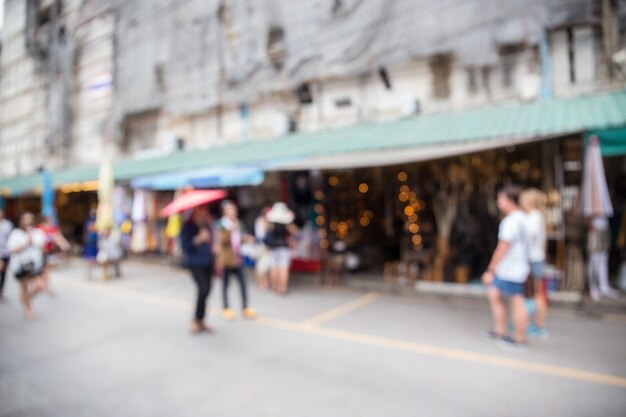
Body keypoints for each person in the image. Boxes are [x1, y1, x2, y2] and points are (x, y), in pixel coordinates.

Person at [482, 186, 530, 352]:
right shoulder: (523, 218)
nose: (498, 202)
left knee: (516, 301)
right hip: (515, 267)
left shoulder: (511, 221)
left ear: (510, 201)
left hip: (511, 268)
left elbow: (503, 247)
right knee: (494, 293)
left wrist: (491, 269)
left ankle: (519, 338)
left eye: (500, 199)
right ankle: (499, 331)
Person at [214, 200, 256, 320]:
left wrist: (246, 239)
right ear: (225, 212)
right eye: (230, 210)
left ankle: (245, 307)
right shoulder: (221, 225)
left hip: (238, 258)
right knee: (225, 285)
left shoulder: (238, 223)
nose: (233, 212)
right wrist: (230, 230)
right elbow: (222, 241)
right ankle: (226, 307)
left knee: (243, 283)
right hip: (227, 259)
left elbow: (239, 238)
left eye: (233, 210)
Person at [520, 188, 550, 338]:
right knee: (537, 293)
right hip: (538, 258)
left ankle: (536, 325)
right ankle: (534, 324)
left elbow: (529, 237)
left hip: (532, 259)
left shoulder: (533, 216)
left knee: (535, 294)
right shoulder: (538, 216)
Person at [180, 207, 216, 333]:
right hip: (195, 262)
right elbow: (185, 245)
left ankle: (201, 320)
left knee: (207, 290)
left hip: (208, 261)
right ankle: (196, 319)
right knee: (203, 289)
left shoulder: (207, 224)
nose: (204, 212)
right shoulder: (188, 225)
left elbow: (211, 240)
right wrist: (198, 239)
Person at [7, 213, 46, 320]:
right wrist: (26, 242)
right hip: (20, 266)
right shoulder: (16, 234)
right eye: (24, 220)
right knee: (25, 288)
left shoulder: (38, 233)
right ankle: (28, 308)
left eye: (29, 220)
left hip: (35, 266)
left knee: (40, 286)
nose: (27, 222)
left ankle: (26, 300)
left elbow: (42, 247)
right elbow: (12, 249)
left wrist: (31, 238)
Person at [265, 202, 299, 295]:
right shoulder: (287, 223)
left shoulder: (270, 223)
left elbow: (265, 233)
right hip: (283, 247)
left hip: (272, 247)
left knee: (274, 267)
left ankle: (275, 286)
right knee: (283, 268)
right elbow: (296, 232)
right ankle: (282, 288)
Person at [587, 216, 619, 300]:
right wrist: (590, 225)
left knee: (603, 259)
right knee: (594, 260)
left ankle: (603, 286)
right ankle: (593, 288)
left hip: (604, 226)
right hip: (595, 227)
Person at [38, 215, 71, 294]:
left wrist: (64, 244)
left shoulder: (52, 228)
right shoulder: (39, 228)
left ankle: (46, 285)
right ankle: (42, 284)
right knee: (41, 269)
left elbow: (58, 237)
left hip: (48, 252)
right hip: (39, 252)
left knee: (47, 269)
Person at [254, 207, 272, 290]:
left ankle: (263, 282)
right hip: (263, 246)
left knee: (264, 265)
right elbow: (261, 235)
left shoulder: (260, 220)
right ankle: (262, 283)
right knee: (262, 265)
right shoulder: (262, 221)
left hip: (261, 245)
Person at [0, 209, 14, 299]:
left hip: (6, 252)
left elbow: (11, 237)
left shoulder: (7, 225)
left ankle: (1, 291)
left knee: (4, 273)